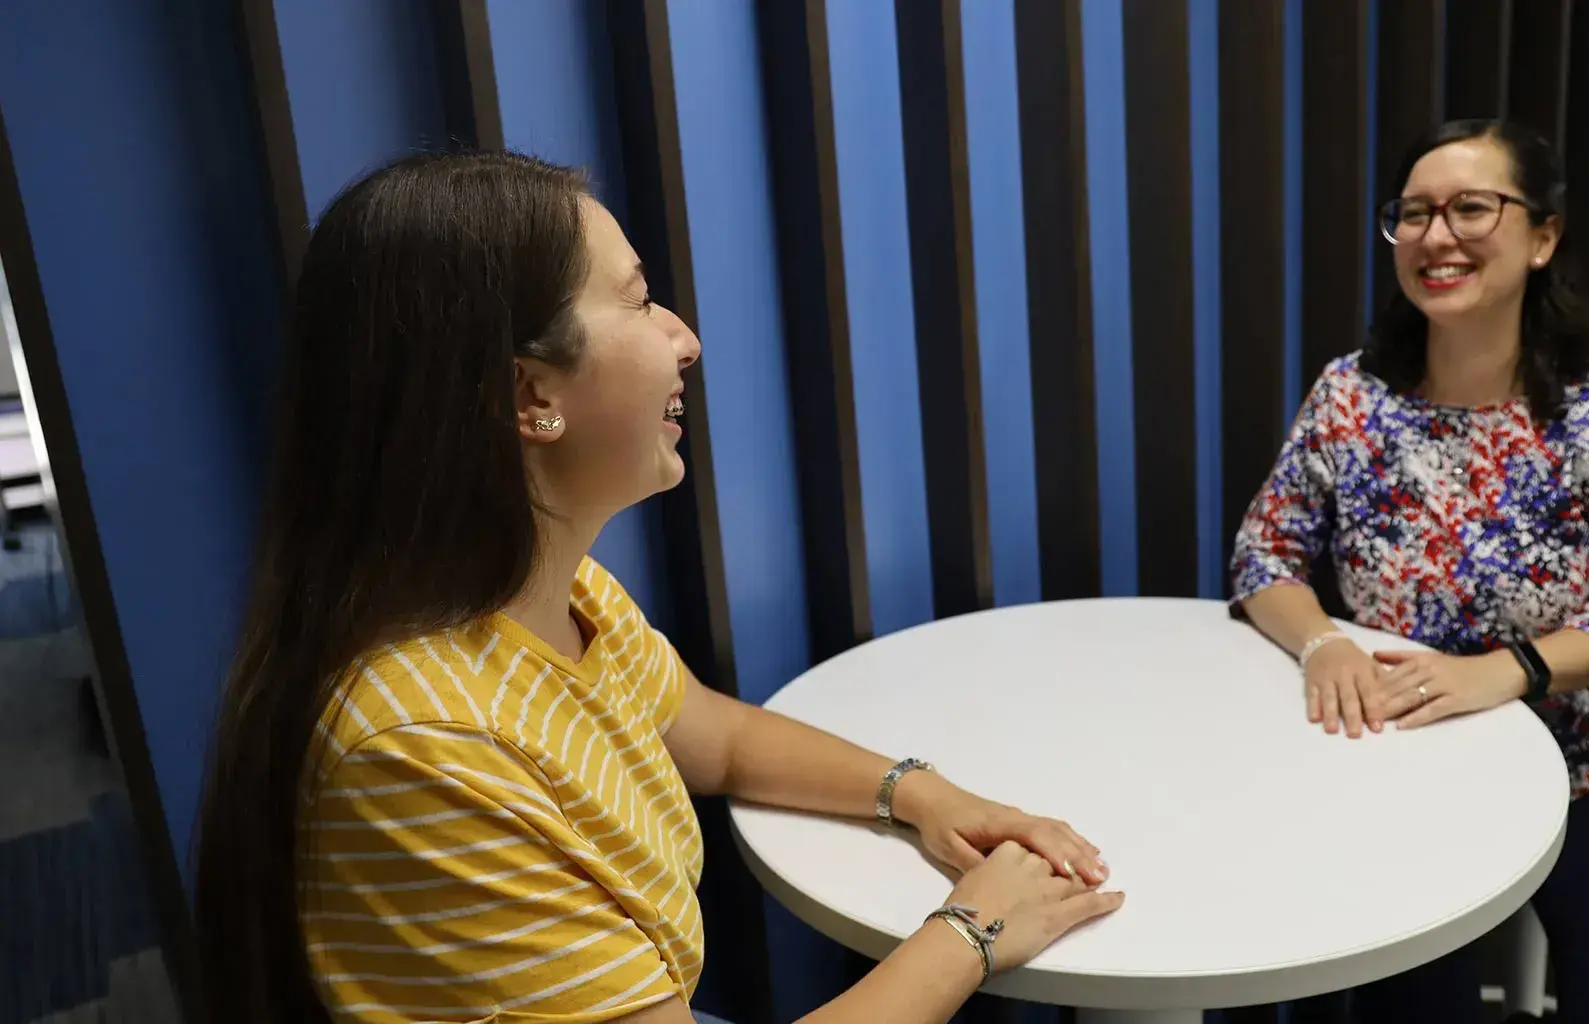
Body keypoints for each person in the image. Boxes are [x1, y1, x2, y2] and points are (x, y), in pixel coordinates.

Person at [193, 151, 1124, 1024]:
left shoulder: (561, 599)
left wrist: (924, 795)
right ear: (528, 396)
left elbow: (719, 739)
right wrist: (971, 932)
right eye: (639, 303)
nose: (685, 339)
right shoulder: (425, 748)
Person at [1230, 120, 1589, 1023]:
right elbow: (1263, 554)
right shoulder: (1352, 394)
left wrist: (1503, 673)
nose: (1436, 236)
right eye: (1413, 214)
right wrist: (1323, 643)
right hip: (1404, 756)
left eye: (1471, 208)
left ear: (1543, 237)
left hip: (1580, 753)